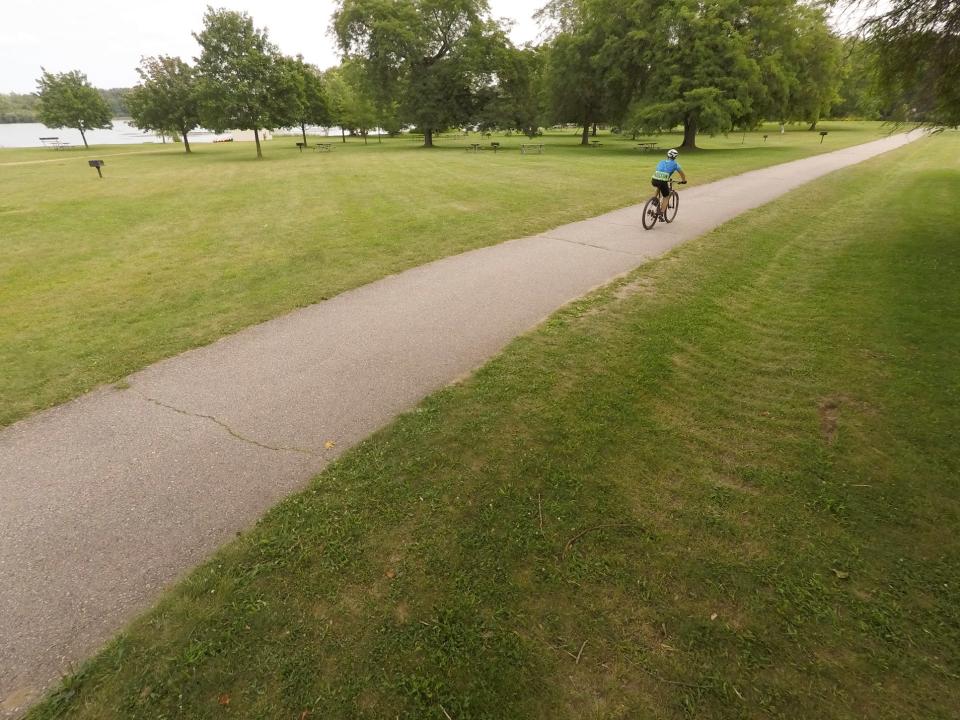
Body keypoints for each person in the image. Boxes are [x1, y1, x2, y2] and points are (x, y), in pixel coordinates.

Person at [650, 148, 687, 219]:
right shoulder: (675, 164)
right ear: (675, 157)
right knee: (666, 197)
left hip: (654, 179)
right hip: (663, 181)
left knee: (659, 185)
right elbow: (682, 173)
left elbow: (659, 169)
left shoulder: (661, 161)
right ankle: (661, 213)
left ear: (667, 155)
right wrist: (683, 180)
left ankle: (654, 199)